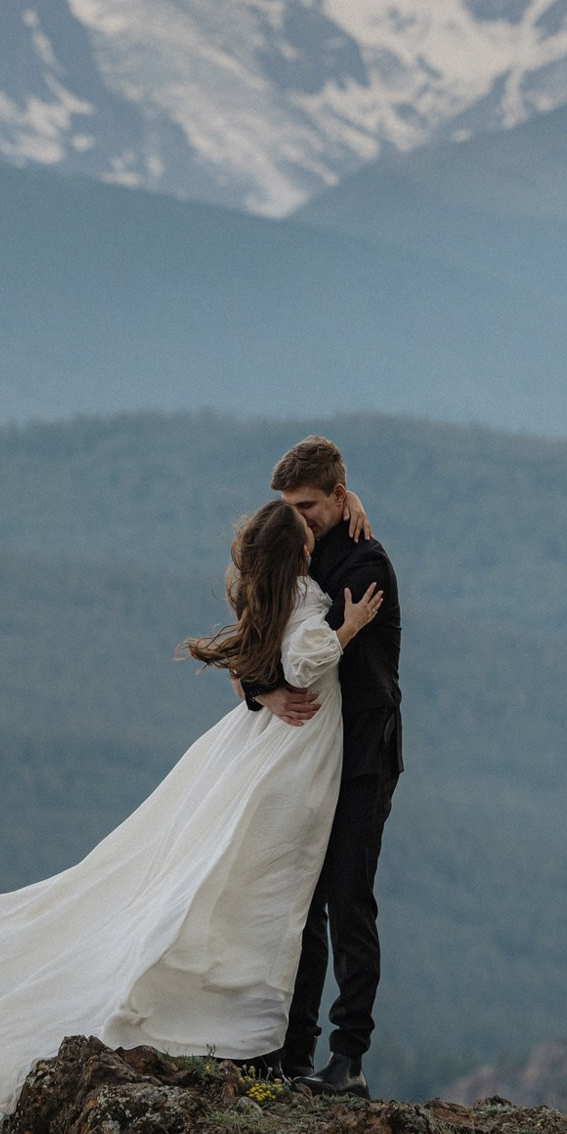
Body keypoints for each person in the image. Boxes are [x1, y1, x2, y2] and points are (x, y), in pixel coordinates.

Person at [0, 498, 384, 1134]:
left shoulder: (272, 592)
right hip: (293, 760)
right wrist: (348, 629)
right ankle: (262, 1040)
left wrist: (348, 499)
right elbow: (302, 662)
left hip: (278, 752)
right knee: (271, 895)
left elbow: (264, 657)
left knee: (262, 893)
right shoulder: (298, 599)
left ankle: (270, 1041)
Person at [243, 436, 403, 1098]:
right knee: (302, 905)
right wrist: (259, 690)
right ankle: (292, 1049)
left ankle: (348, 1058)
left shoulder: (365, 564)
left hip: (361, 756)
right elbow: (262, 634)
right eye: (288, 506)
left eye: (307, 505)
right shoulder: (306, 547)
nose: (295, 518)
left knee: (347, 901)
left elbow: (307, 654)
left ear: (338, 497)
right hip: (314, 758)